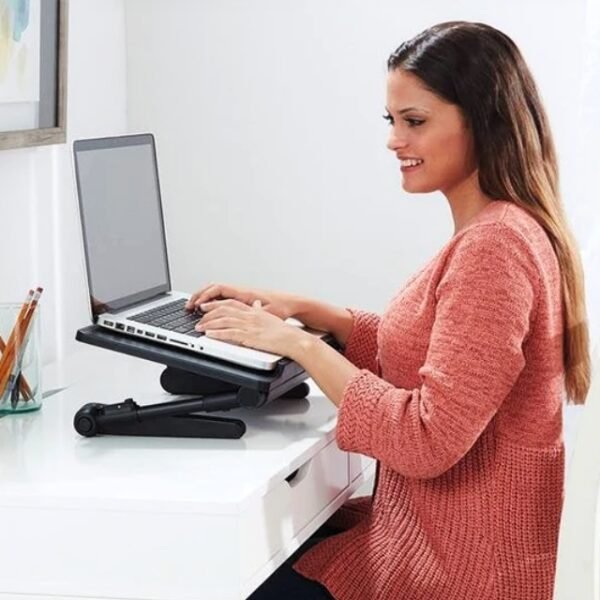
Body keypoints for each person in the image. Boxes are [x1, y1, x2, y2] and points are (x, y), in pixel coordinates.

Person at [186, 21, 591, 600]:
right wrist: (307, 310)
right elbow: (436, 352)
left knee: (226, 573)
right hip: (444, 545)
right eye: (392, 121)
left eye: (415, 122)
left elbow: (426, 439)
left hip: (455, 572)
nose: (394, 140)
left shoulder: (494, 248)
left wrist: (296, 344)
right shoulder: (506, 229)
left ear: (482, 120)